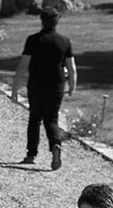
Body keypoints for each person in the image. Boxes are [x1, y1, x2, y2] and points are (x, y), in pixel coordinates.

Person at [11, 9, 75, 171]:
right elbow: (71, 68)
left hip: (37, 84)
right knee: (51, 119)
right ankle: (55, 145)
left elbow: (23, 66)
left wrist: (15, 89)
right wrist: (72, 86)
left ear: (41, 20)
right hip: (56, 85)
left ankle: (31, 154)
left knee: (35, 117)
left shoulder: (33, 40)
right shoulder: (64, 41)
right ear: (57, 22)